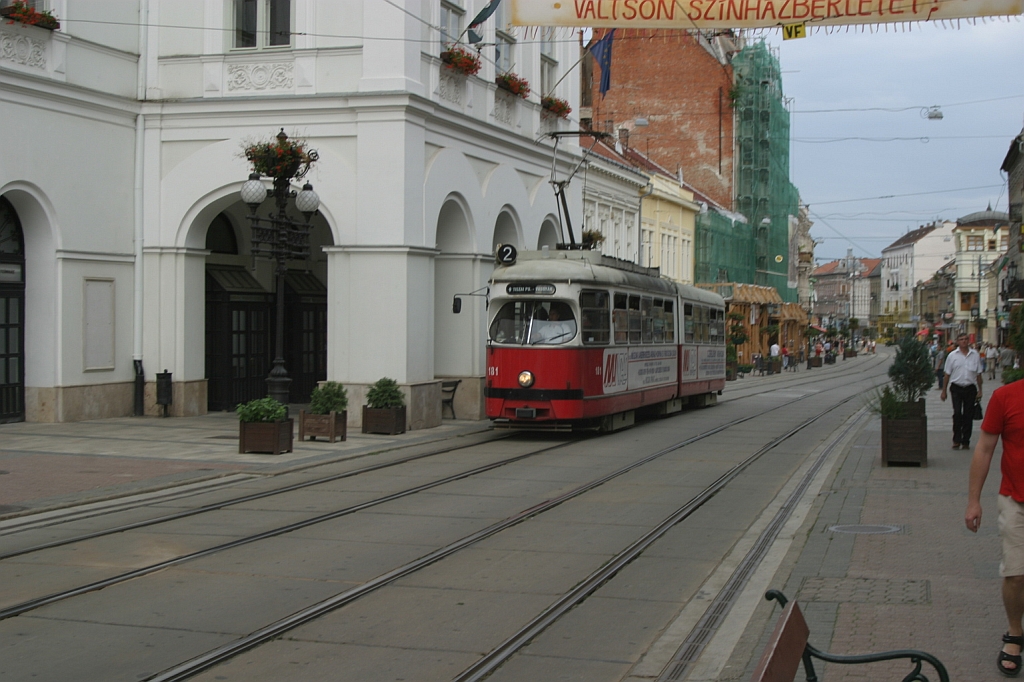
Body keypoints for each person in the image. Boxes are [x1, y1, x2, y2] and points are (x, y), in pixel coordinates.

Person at [965, 374, 1024, 676]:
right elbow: (985, 448)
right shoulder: (1005, 397)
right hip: (1016, 500)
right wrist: (974, 501)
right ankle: (1015, 633)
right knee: (1015, 574)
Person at [942, 333, 984, 450]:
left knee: (968, 415)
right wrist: (944, 391)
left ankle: (966, 440)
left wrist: (980, 390)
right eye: (961, 339)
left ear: (968, 341)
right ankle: (956, 439)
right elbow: (947, 374)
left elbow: (979, 374)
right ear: (957, 341)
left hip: (970, 388)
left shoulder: (975, 355)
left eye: (965, 339)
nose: (964, 341)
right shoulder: (952, 356)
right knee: (957, 413)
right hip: (956, 388)